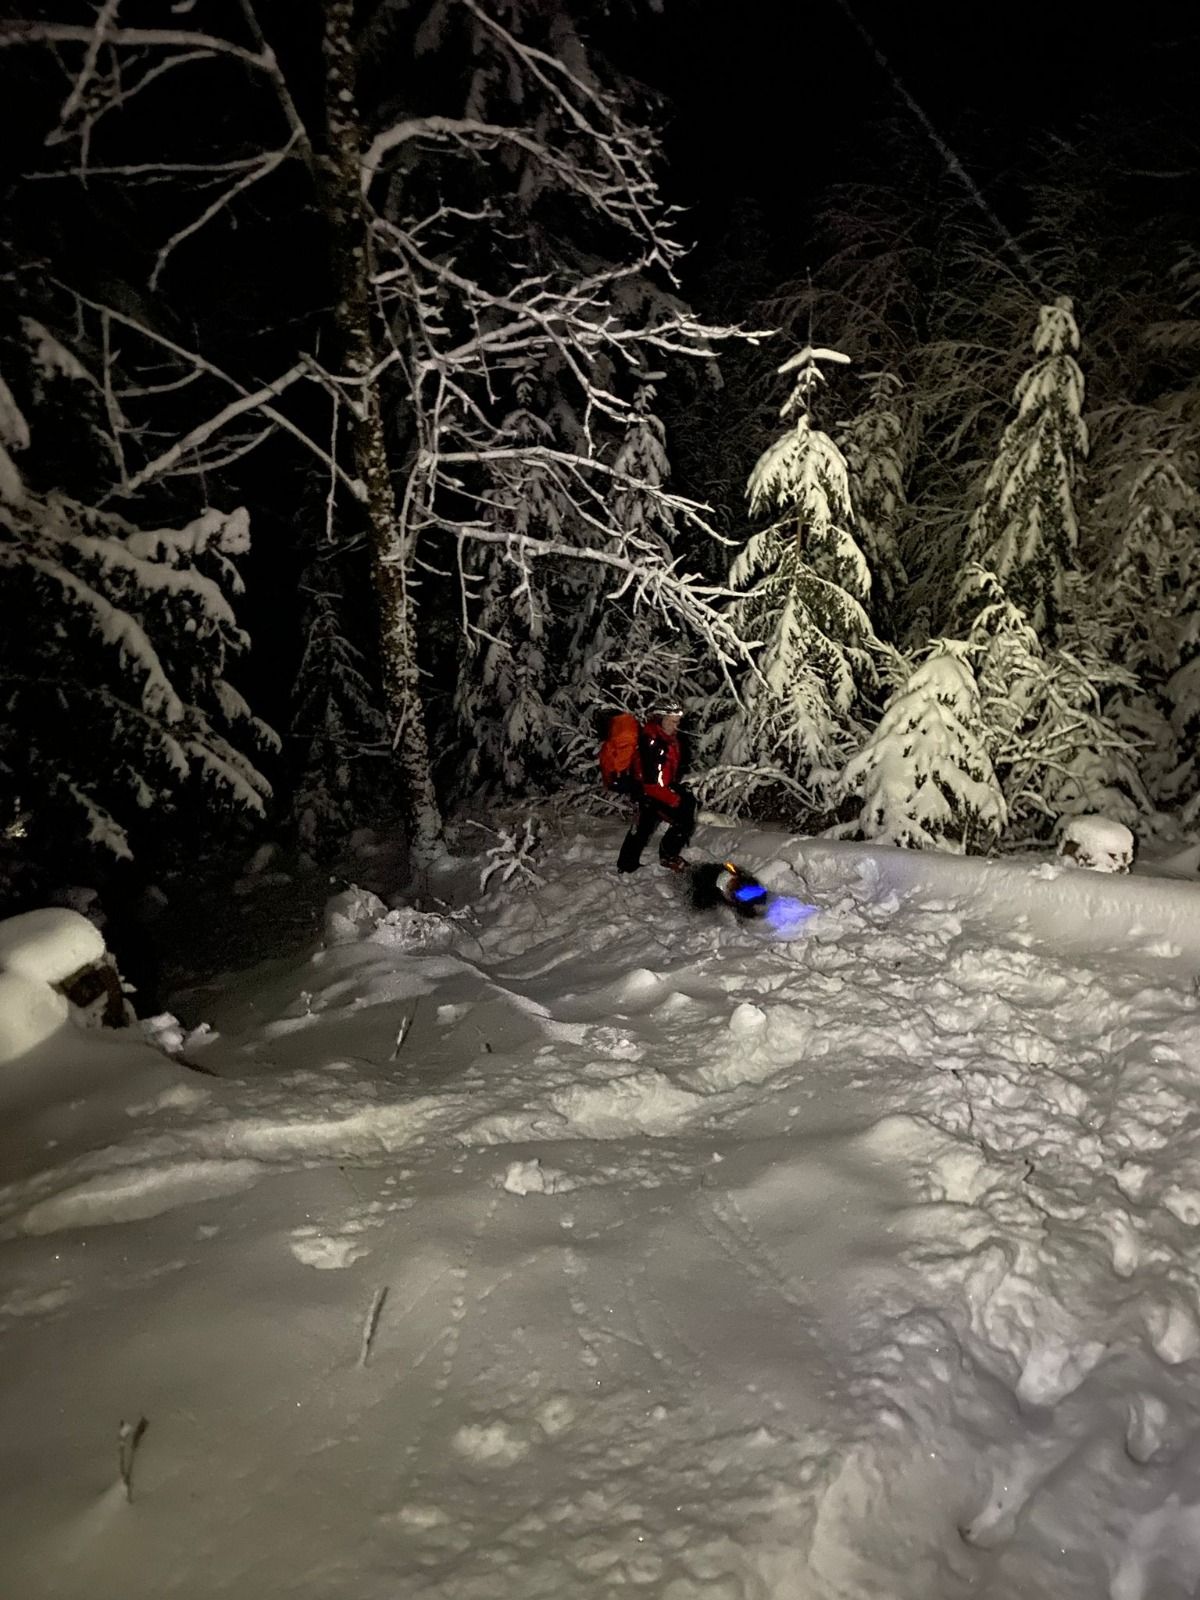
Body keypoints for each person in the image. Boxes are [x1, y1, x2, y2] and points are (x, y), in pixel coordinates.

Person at [616, 703, 697, 873]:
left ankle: (628, 864)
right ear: (661, 720)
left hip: (654, 789)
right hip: (648, 791)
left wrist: (676, 789)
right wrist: (673, 798)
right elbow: (651, 781)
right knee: (680, 819)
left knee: (644, 825)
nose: (677, 726)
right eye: (673, 721)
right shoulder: (652, 742)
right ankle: (666, 856)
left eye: (678, 721)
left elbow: (664, 772)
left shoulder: (665, 737)